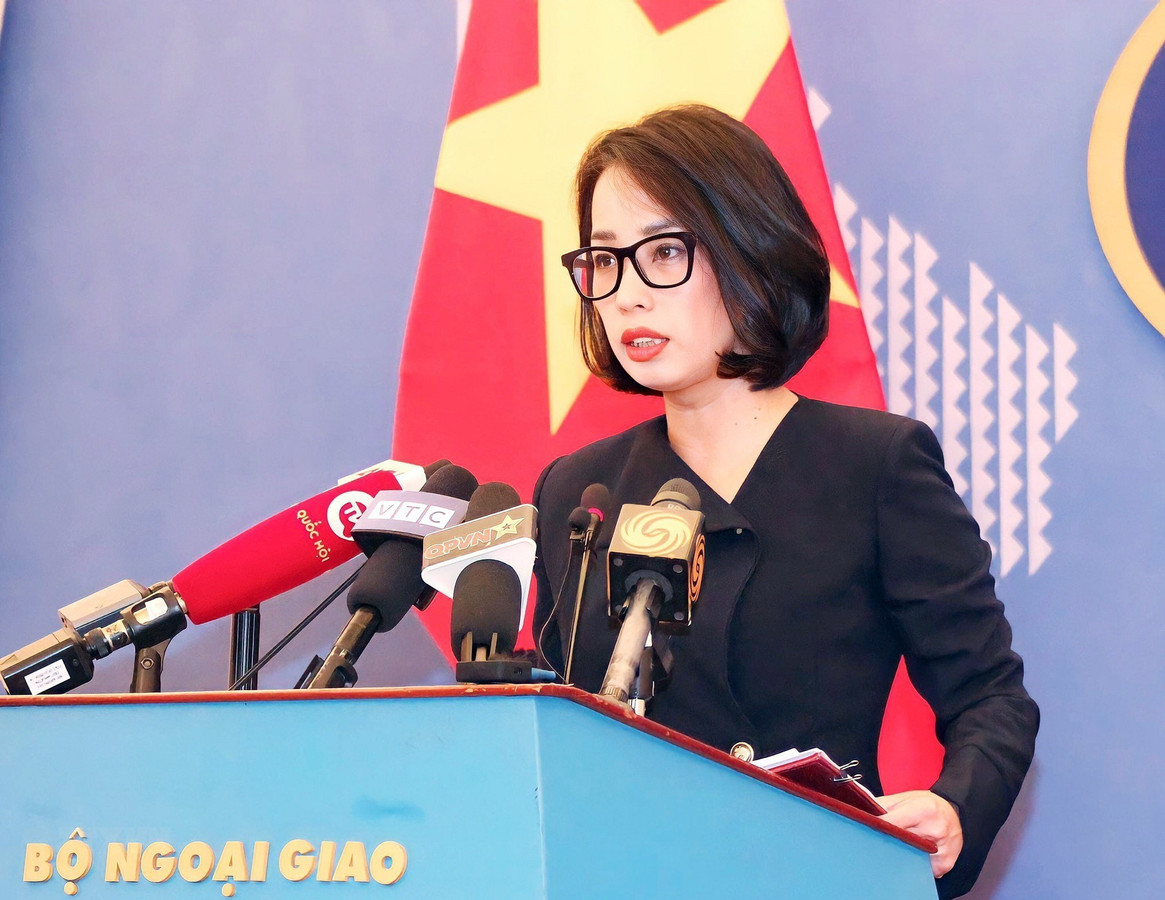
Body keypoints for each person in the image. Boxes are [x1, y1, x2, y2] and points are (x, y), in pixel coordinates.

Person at [531, 104, 1038, 898]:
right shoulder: (578, 491)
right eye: (604, 260)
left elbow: (990, 698)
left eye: (663, 252)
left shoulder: (873, 466)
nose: (626, 294)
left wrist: (952, 808)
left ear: (748, 251)